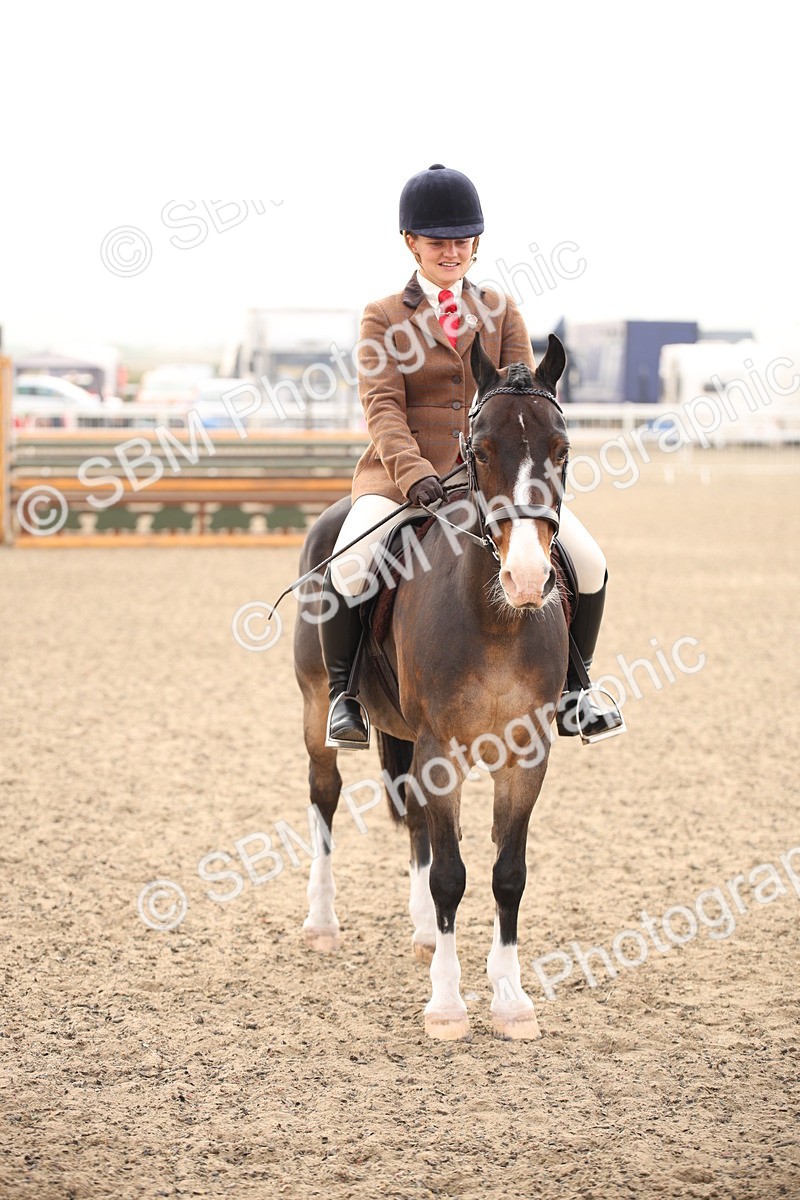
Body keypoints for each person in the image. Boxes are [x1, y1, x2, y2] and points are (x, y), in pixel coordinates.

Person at [319, 164, 625, 749]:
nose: (452, 252)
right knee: (349, 564)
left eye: (462, 242)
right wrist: (415, 476)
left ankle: (575, 692)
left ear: (476, 244)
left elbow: (522, 392)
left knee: (589, 561)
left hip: (497, 481)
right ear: (411, 243)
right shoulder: (384, 316)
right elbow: (382, 408)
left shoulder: (500, 310)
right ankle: (346, 697)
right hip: (403, 480)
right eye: (438, 242)